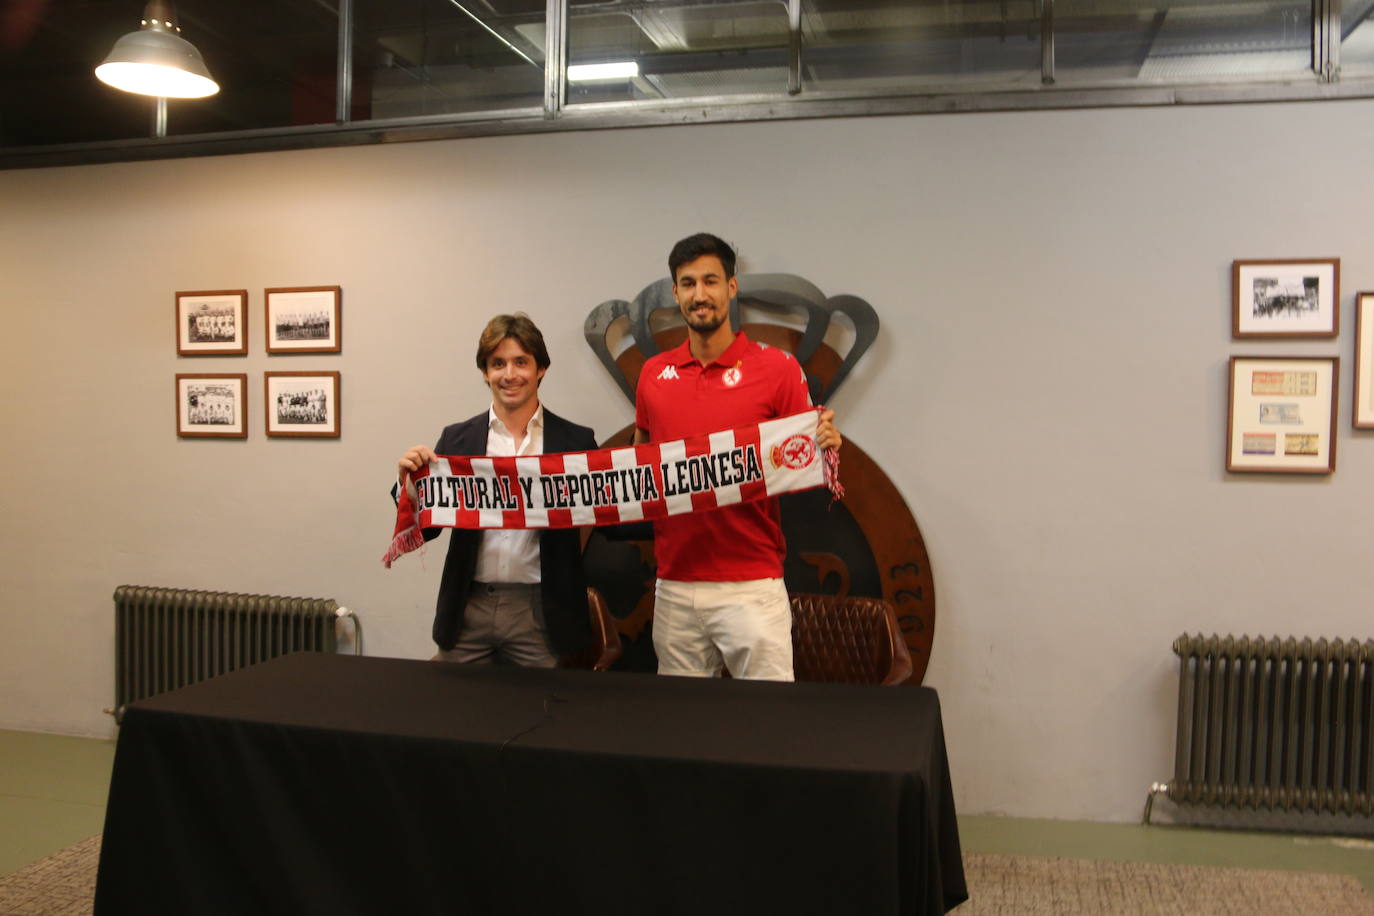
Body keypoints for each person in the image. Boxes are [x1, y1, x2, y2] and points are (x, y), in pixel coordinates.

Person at [633, 233, 841, 681]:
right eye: (687, 284)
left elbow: (805, 453)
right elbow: (639, 459)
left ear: (731, 287)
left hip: (751, 584)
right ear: (675, 293)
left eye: (710, 281)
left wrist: (823, 442)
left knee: (767, 730)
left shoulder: (779, 368)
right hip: (675, 584)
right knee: (684, 729)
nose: (699, 295)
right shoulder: (653, 374)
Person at [396, 314, 596, 666]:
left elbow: (613, 509)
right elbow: (427, 529)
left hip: (542, 613)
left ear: (541, 369)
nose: (509, 374)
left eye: (521, 362)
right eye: (498, 363)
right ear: (485, 372)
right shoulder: (456, 440)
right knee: (453, 714)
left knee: (541, 716)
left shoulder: (576, 442)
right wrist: (411, 485)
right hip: (467, 609)